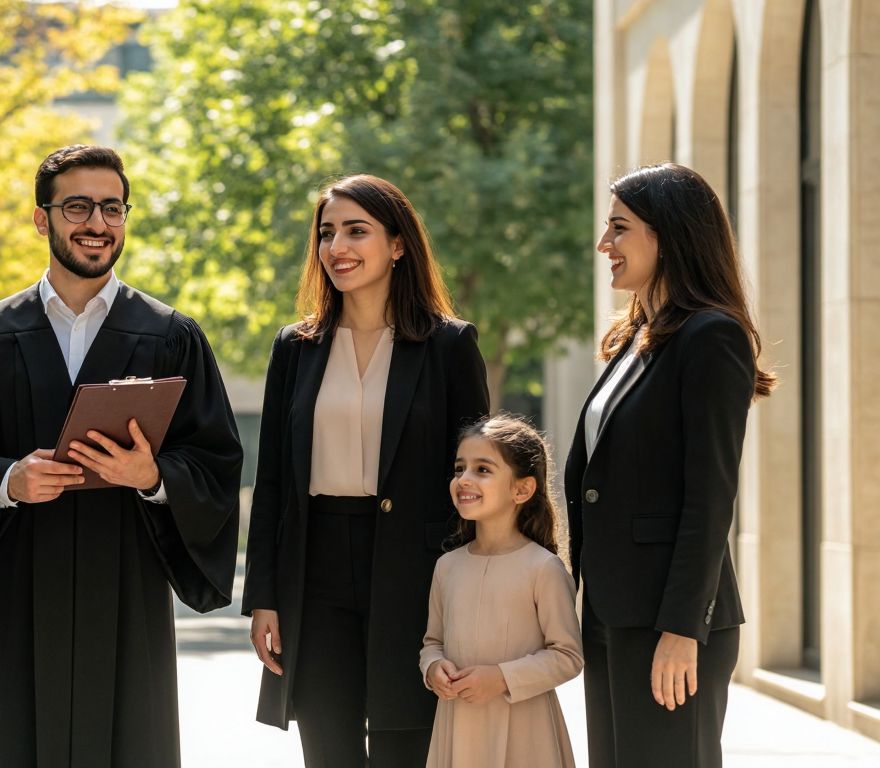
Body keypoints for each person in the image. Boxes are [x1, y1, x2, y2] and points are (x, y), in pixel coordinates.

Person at [0, 144, 243, 767]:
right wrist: (9, 479)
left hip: (126, 582)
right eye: (78, 207)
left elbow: (217, 458)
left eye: (112, 208)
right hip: (23, 583)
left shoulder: (171, 334)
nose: (97, 223)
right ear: (42, 219)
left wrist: (154, 477)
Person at [242, 173, 489, 767]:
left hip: (416, 567)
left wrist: (481, 589)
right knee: (327, 747)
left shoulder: (448, 346)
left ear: (398, 244)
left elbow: (480, 480)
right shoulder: (295, 348)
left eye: (357, 231)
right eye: (327, 234)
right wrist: (264, 597)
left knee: (407, 744)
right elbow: (273, 477)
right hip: (315, 565)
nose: (337, 248)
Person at [566, 162, 776, 768]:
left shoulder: (711, 337)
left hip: (670, 623)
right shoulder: (634, 338)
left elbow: (710, 498)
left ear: (670, 235)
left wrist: (685, 629)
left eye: (619, 228)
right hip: (612, 611)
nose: (604, 244)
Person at [421, 414, 584, 767]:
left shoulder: (543, 568)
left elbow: (568, 656)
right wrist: (433, 668)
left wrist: (501, 678)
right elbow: (432, 642)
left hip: (526, 735)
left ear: (522, 489)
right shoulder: (446, 567)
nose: (464, 479)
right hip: (458, 728)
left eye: (482, 469)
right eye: (459, 468)